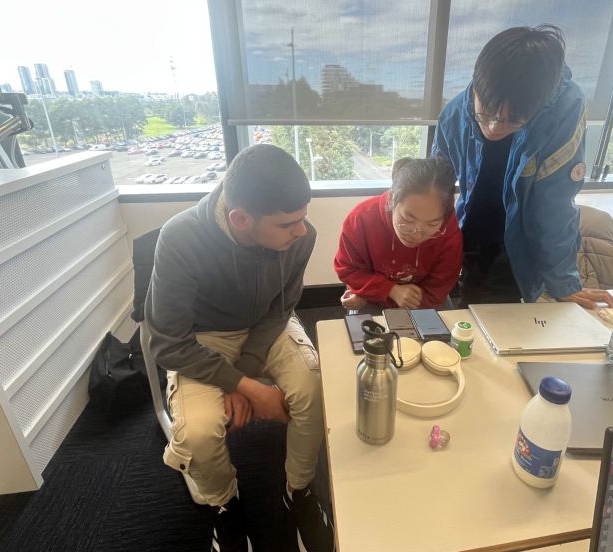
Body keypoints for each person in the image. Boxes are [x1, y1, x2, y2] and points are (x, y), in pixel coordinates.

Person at [143, 144, 333, 552]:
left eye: (303, 217)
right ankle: (224, 504)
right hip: (202, 337)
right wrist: (248, 386)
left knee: (313, 389)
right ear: (241, 219)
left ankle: (299, 488)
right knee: (198, 433)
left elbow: (281, 309)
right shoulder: (180, 237)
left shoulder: (303, 236)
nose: (302, 231)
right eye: (288, 224)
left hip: (268, 326)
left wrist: (241, 376)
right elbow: (168, 342)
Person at [432, 24, 613, 310]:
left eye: (513, 120)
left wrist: (563, 283)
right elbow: (433, 187)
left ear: (538, 106)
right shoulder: (455, 112)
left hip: (518, 237)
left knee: (500, 312)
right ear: (477, 85)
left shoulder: (564, 109)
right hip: (473, 226)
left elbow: (553, 203)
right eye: (486, 113)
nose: (494, 127)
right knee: (468, 303)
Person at [335, 156, 463, 312]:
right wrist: (389, 290)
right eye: (408, 219)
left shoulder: (449, 232)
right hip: (372, 293)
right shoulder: (361, 219)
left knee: (443, 326)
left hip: (422, 298)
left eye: (432, 224)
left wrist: (401, 304)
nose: (417, 233)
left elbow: (438, 289)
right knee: (360, 323)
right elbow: (348, 269)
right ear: (392, 199)